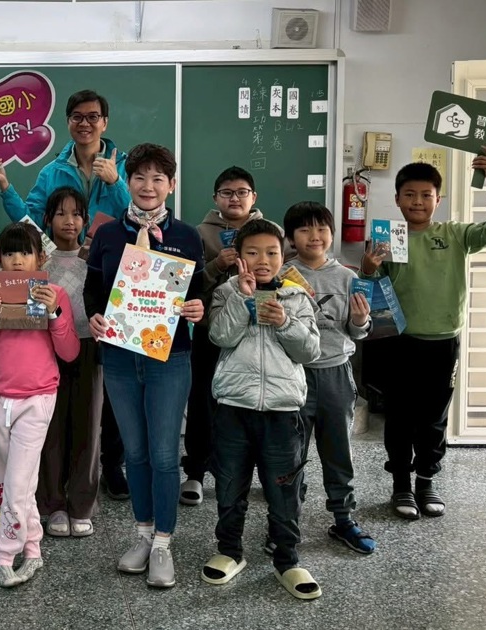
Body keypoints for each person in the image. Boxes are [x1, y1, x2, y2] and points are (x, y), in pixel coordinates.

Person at [360, 148, 486, 520]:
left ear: (437, 199)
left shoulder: (455, 234)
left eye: (426, 195)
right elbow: (374, 292)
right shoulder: (387, 238)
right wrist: (368, 268)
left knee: (434, 417)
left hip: (443, 342)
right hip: (399, 343)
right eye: (410, 194)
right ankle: (401, 484)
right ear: (397, 199)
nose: (418, 201)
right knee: (399, 416)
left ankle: (426, 480)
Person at [83, 144, 205, 588]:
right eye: (139, 177)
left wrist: (197, 307)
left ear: (171, 185)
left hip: (169, 358)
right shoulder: (108, 234)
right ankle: (142, 534)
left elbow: (199, 291)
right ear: (127, 181)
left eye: (157, 178)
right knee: (134, 452)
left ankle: (163, 544)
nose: (148, 186)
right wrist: (95, 315)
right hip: (119, 356)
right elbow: (93, 290)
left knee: (164, 454)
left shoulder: (187, 237)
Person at [202, 219, 322, 601]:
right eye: (252, 252)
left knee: (284, 489)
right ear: (239, 256)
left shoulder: (296, 297)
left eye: (271, 252)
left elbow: (310, 351)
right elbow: (220, 336)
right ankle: (229, 551)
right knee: (229, 484)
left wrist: (285, 322)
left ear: (283, 256)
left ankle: (288, 559)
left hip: (283, 411)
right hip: (234, 406)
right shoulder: (225, 291)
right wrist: (242, 298)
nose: (262, 260)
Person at [0, 222, 80, 587]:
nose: (17, 260)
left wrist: (54, 314)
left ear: (40, 258)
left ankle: (4, 553)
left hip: (37, 398)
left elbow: (70, 352)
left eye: (25, 252)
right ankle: (33, 548)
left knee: (18, 483)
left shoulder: (55, 294)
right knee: (8, 483)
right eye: (9, 253)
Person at [281, 201, 375, 554]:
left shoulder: (348, 277)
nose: (314, 236)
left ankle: (344, 517)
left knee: (338, 452)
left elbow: (358, 331)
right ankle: (286, 520)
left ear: (331, 233)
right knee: (290, 454)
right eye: (304, 229)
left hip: (336, 373)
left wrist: (361, 321)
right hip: (294, 376)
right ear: (291, 238)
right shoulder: (282, 275)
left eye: (321, 228)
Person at [182, 166, 265, 507]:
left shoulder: (268, 233)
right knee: (203, 401)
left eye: (242, 192)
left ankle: (251, 472)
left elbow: (281, 277)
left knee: (251, 404)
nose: (235, 198)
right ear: (215, 198)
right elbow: (186, 286)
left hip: (254, 334)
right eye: (227, 193)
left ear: (253, 197)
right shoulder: (198, 234)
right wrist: (217, 264)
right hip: (210, 332)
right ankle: (196, 472)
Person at [36, 187, 101, 538]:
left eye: (76, 214)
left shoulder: (95, 257)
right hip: (46, 349)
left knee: (88, 427)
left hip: (90, 347)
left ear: (86, 220)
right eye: (61, 213)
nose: (69, 221)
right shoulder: (37, 261)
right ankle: (53, 504)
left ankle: (82, 504)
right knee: (50, 429)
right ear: (48, 220)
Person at [0, 89, 130, 226]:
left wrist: (115, 183)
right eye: (77, 117)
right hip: (64, 249)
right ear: (68, 122)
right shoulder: (51, 173)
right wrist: (5, 186)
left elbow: (139, 219)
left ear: (105, 123)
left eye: (93, 117)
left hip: (113, 249)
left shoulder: (127, 167)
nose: (84, 123)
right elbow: (32, 224)